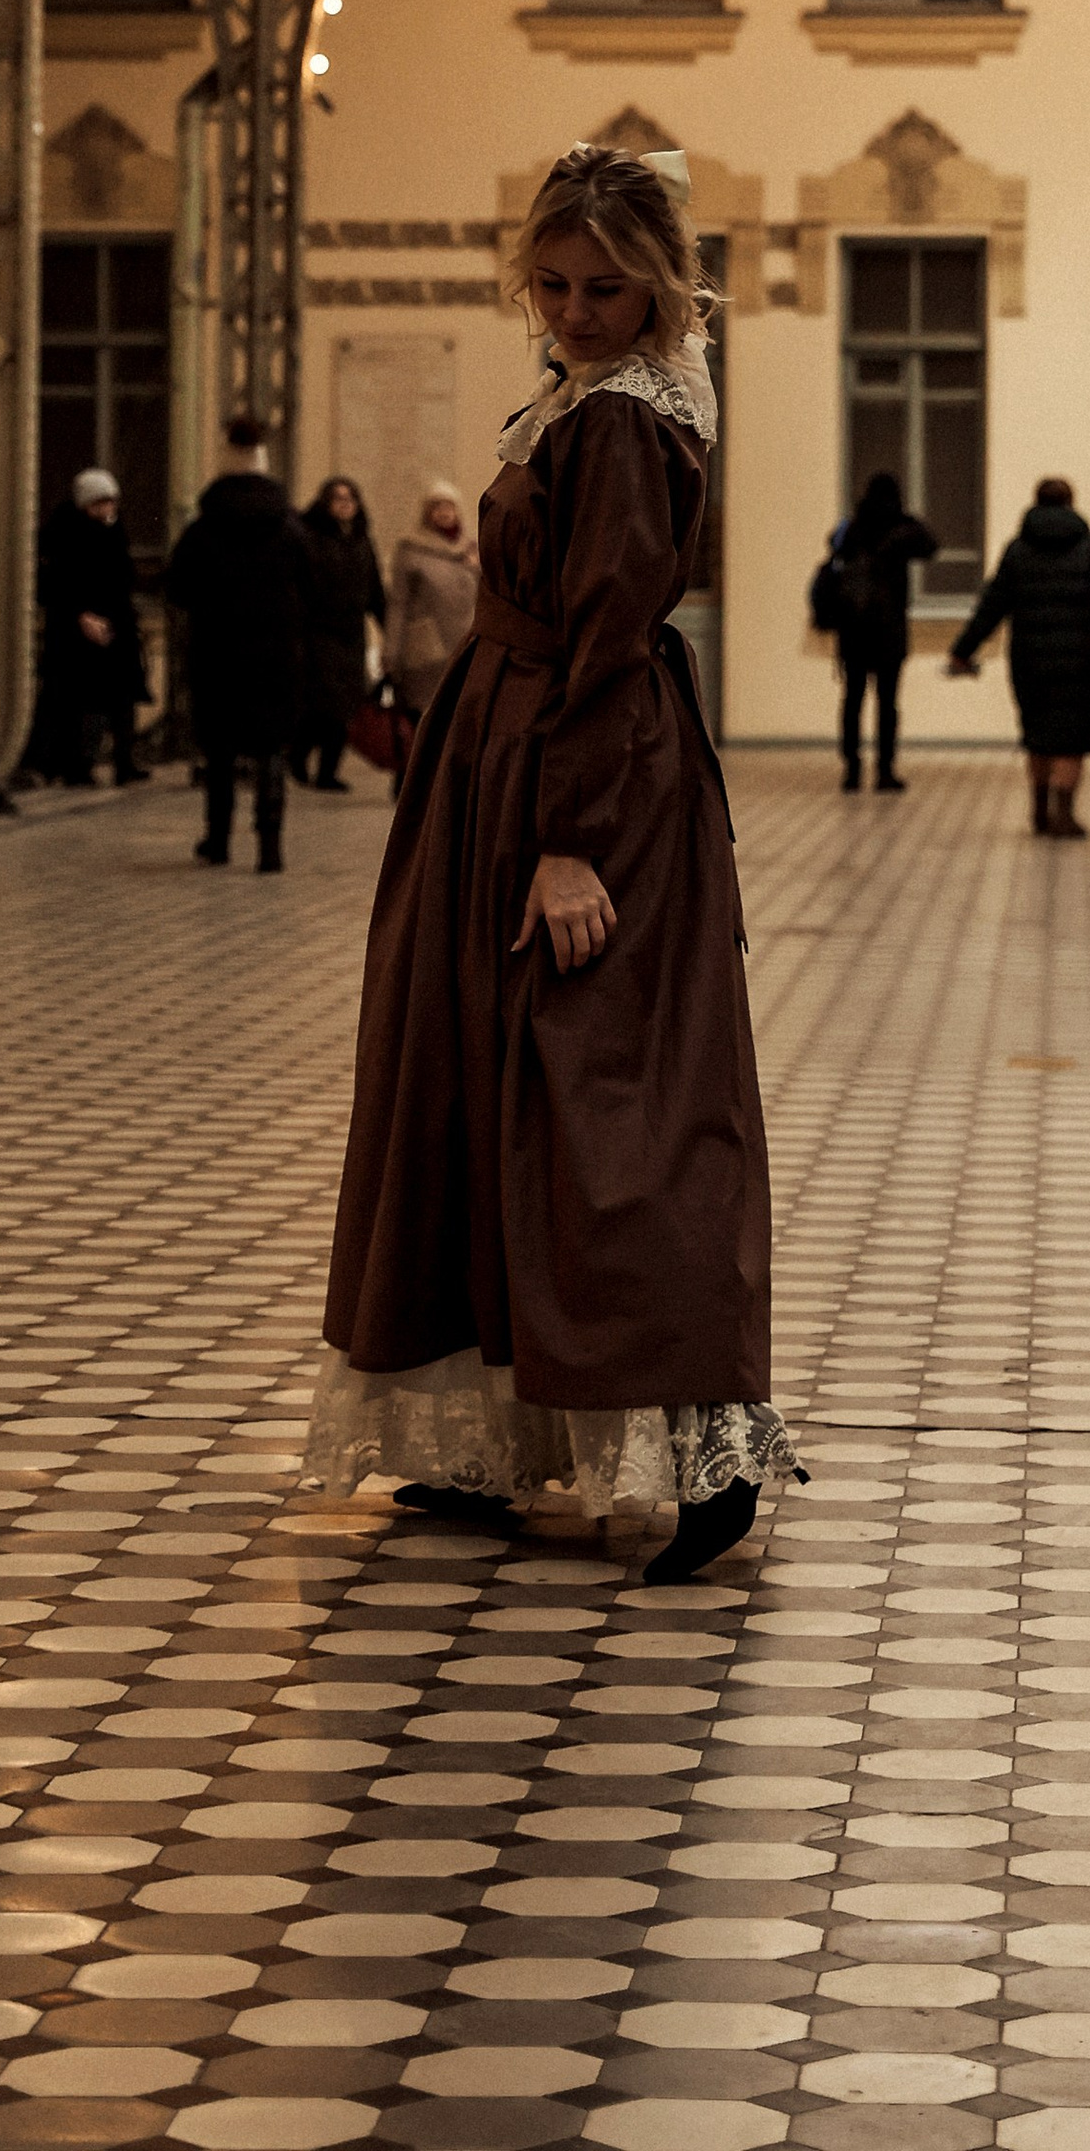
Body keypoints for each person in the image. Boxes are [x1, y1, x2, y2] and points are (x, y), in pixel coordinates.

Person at [304, 137, 797, 1583]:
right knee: (471, 1084)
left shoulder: (630, 424)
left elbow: (606, 636)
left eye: (608, 290)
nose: (578, 312)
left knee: (609, 1104)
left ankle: (707, 1448)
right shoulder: (578, 400)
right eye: (559, 284)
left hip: (580, 780)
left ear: (660, 290)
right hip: (499, 769)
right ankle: (490, 1438)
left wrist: (571, 842)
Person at [162, 418, 312, 871]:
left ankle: (219, 841)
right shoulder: (288, 527)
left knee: (221, 750)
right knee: (270, 749)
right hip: (275, 654)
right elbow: (310, 580)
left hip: (218, 652)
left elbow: (177, 588)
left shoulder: (204, 529)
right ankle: (270, 848)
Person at [947, 478, 1090, 836]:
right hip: (1082, 658)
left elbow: (992, 604)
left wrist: (962, 649)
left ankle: (1038, 808)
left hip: (1030, 658)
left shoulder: (1017, 551)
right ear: (1070, 503)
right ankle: (1064, 813)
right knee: (1072, 737)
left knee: (1038, 733)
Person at [815, 470, 937, 791]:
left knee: (853, 699)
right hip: (888, 631)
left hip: (853, 629)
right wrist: (905, 516)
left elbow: (832, 547)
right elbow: (931, 544)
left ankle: (852, 770)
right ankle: (885, 771)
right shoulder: (902, 530)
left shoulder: (853, 528)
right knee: (887, 702)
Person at [34, 468, 150, 788]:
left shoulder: (113, 531)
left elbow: (122, 574)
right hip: (77, 630)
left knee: (120, 697)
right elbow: (58, 582)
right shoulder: (65, 534)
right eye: (100, 502)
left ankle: (123, 762)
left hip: (116, 623)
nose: (107, 509)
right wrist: (81, 615)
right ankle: (77, 765)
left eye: (111, 501)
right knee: (82, 699)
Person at [297, 475, 387, 792]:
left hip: (352, 634)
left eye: (350, 499)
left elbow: (374, 588)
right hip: (319, 633)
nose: (344, 504)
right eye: (337, 498)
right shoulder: (311, 537)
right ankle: (304, 758)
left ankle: (324, 770)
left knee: (345, 705)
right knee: (326, 705)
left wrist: (386, 625)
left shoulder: (361, 539)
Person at [387, 487, 478, 740]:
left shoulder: (471, 548)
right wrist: (391, 650)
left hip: (465, 642)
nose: (444, 513)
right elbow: (398, 602)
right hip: (425, 647)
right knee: (424, 716)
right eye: (436, 507)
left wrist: (477, 568)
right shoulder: (412, 548)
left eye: (449, 506)